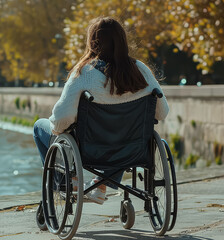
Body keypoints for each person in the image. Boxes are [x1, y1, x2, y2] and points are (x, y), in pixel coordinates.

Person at [33, 16, 169, 204]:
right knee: (123, 129)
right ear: (122, 40)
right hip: (131, 148)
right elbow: (161, 113)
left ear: (92, 42)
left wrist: (59, 130)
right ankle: (101, 185)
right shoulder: (141, 71)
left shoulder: (84, 73)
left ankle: (66, 182)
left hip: (91, 149)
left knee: (39, 127)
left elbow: (60, 120)